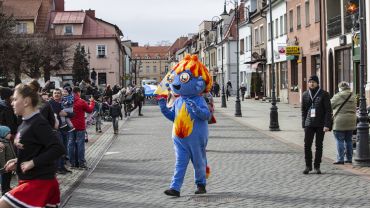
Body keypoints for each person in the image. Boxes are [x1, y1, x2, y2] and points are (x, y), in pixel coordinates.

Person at [0, 81, 65, 208]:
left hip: (40, 183)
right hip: (30, 180)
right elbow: (35, 150)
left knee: (3, 204)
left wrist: (32, 163)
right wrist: (18, 161)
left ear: (26, 101)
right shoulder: (24, 123)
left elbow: (58, 148)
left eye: (15, 99)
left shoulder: (38, 122)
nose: (12, 103)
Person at [158, 55, 211, 197]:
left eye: (184, 78)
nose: (175, 82)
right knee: (179, 163)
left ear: (199, 82)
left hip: (196, 139)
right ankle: (175, 188)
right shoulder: (178, 100)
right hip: (180, 139)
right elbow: (173, 117)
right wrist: (163, 108)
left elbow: (207, 115)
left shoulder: (199, 100)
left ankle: (201, 184)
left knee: (199, 162)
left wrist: (196, 109)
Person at [301, 75, 332, 174]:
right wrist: (304, 123)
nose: (311, 83)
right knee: (307, 145)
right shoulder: (305, 94)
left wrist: (327, 124)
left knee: (319, 146)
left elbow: (328, 110)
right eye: (310, 82)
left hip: (320, 124)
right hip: (309, 124)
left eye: (314, 82)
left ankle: (317, 166)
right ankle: (308, 166)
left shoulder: (324, 94)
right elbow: (303, 111)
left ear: (317, 83)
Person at [49, 88, 74, 174]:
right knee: (59, 149)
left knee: (64, 149)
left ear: (61, 95)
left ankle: (62, 166)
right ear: (52, 95)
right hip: (56, 130)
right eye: (55, 93)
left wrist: (66, 114)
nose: (56, 95)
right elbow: (54, 113)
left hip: (65, 128)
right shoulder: (51, 103)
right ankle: (58, 167)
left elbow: (72, 113)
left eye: (58, 93)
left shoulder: (64, 103)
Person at [68, 87, 95, 169]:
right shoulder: (81, 101)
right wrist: (92, 102)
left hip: (70, 126)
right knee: (80, 145)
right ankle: (81, 163)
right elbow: (90, 110)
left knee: (71, 145)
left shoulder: (68, 101)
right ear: (78, 92)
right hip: (80, 126)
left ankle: (72, 163)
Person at [331, 81, 356, 164]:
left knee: (339, 140)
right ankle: (349, 158)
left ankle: (340, 159)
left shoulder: (338, 95)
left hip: (340, 121)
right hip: (351, 120)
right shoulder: (353, 96)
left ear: (340, 88)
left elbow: (330, 105)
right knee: (349, 140)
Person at [0, 125, 16, 195]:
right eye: (8, 133)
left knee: (9, 177)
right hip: (5, 166)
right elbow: (1, 157)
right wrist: (3, 166)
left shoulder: (9, 141)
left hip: (10, 164)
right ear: (3, 134)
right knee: (5, 178)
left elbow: (12, 151)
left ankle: (8, 187)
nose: (10, 134)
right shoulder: (2, 144)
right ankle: (4, 190)